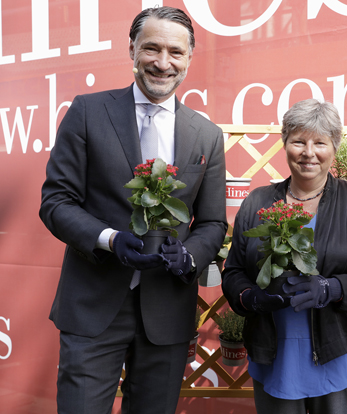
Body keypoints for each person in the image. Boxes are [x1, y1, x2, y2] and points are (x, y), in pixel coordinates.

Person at [39, 6, 227, 414]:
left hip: (168, 310)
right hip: (93, 306)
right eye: (152, 49)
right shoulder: (87, 112)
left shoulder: (207, 135)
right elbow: (56, 202)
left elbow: (212, 222)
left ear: (189, 58)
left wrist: (191, 253)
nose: (163, 63)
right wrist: (109, 240)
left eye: (175, 52)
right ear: (132, 50)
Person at [222, 98, 347, 414]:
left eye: (320, 143)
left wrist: (330, 289)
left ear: (334, 147)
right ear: (285, 144)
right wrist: (251, 298)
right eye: (298, 141)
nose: (308, 152)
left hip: (338, 352)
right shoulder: (258, 201)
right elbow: (232, 272)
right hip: (276, 353)